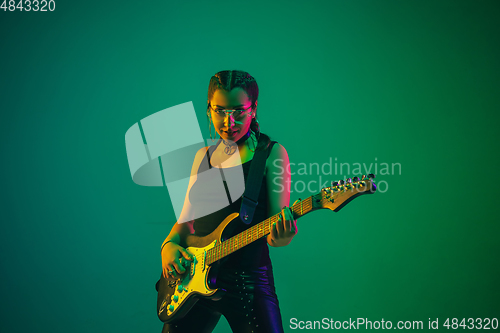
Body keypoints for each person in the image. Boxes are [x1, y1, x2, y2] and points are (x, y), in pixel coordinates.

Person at [158, 70, 297, 333]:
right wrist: (168, 246)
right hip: (194, 279)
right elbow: (186, 222)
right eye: (219, 111)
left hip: (247, 282)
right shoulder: (203, 156)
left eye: (238, 111)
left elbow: (275, 232)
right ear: (208, 109)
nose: (228, 121)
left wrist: (281, 236)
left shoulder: (271, 154)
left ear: (253, 109)